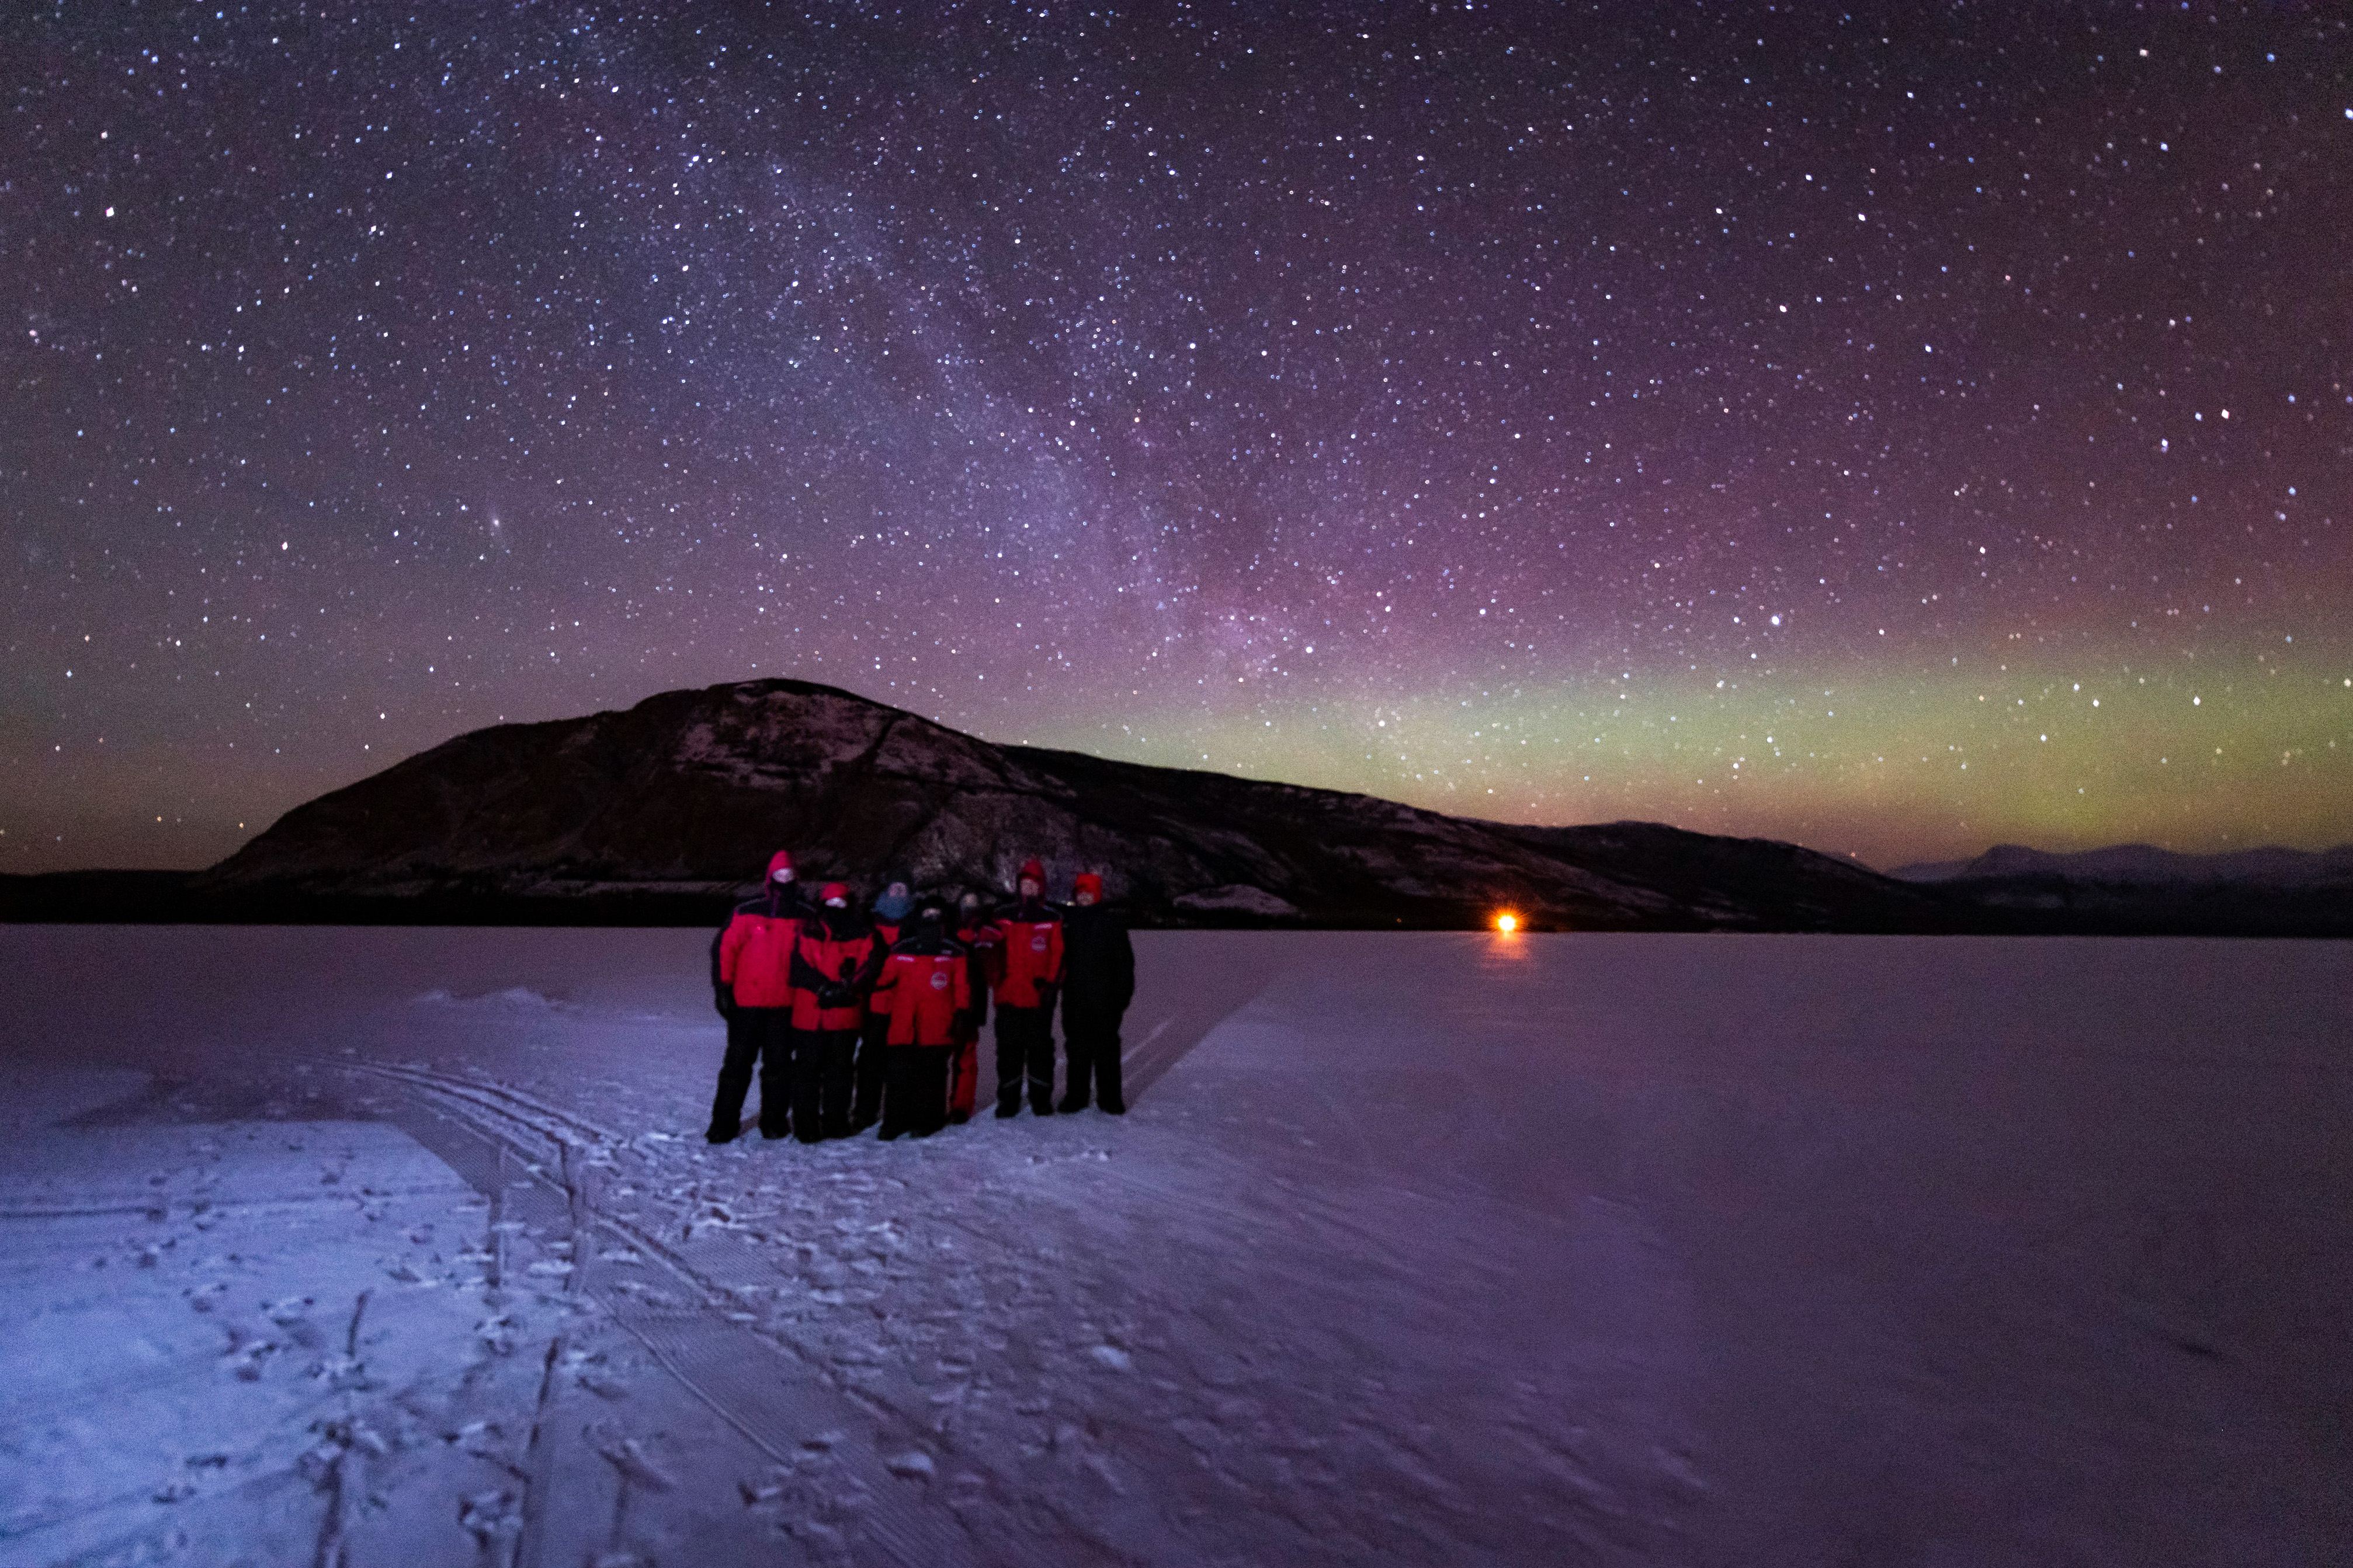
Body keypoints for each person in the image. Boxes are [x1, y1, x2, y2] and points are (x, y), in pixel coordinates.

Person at [707, 850, 803, 1142]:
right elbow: (725, 950)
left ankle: (773, 1121)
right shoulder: (747, 911)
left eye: (789, 875)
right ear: (769, 878)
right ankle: (723, 1124)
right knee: (737, 1066)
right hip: (747, 1004)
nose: (784, 880)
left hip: (785, 1005)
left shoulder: (805, 915)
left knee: (778, 1068)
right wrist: (723, 988)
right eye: (779, 875)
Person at [868, 898, 971, 1139]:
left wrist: (962, 1014)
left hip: (937, 1024)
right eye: (928, 913)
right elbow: (884, 981)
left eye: (937, 914)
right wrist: (873, 976)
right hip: (904, 1024)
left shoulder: (954, 952)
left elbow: (962, 987)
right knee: (898, 1075)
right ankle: (895, 1121)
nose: (932, 919)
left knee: (932, 1076)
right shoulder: (903, 949)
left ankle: (929, 1120)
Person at [789, 882, 883, 1141]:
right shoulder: (807, 931)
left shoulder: (864, 934)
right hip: (810, 1015)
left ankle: (836, 1121)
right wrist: (822, 988)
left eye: (842, 904)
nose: (836, 909)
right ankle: (806, 1125)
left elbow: (870, 966)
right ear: (822, 905)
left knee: (839, 1072)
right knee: (806, 1073)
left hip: (844, 1015)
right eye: (831, 904)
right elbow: (799, 967)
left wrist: (845, 988)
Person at [989, 858, 1064, 1117]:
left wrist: (1052, 985)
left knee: (1040, 1050)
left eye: (1034, 885)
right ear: (1019, 887)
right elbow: (991, 950)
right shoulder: (1003, 916)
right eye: (1025, 884)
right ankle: (1008, 1100)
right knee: (1009, 1050)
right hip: (1008, 994)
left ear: (1041, 887)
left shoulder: (1051, 918)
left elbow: (1058, 954)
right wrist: (996, 979)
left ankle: (1040, 1098)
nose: (1029, 889)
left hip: (1038, 996)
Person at [1057, 871, 1136, 1114]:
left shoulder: (1111, 923)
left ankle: (1110, 1098)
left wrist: (1122, 996)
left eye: (1088, 893)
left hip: (1105, 999)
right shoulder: (1068, 923)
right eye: (1080, 894)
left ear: (1098, 895)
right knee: (1077, 1049)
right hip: (1075, 997)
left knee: (1107, 1050)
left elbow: (1125, 963)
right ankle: (1077, 1096)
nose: (1084, 898)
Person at [849, 874, 914, 1133]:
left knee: (901, 1058)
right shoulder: (870, 920)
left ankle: (898, 1111)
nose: (898, 893)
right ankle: (865, 1109)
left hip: (904, 1000)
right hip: (873, 1000)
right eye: (894, 888)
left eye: (903, 889)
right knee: (871, 1058)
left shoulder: (914, 922)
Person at [948, 892, 993, 1124]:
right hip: (944, 999)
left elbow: (992, 963)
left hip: (973, 1001)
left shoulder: (986, 932)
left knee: (965, 1055)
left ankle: (961, 1105)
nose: (969, 909)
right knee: (938, 1055)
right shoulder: (948, 930)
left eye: (974, 905)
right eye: (965, 905)